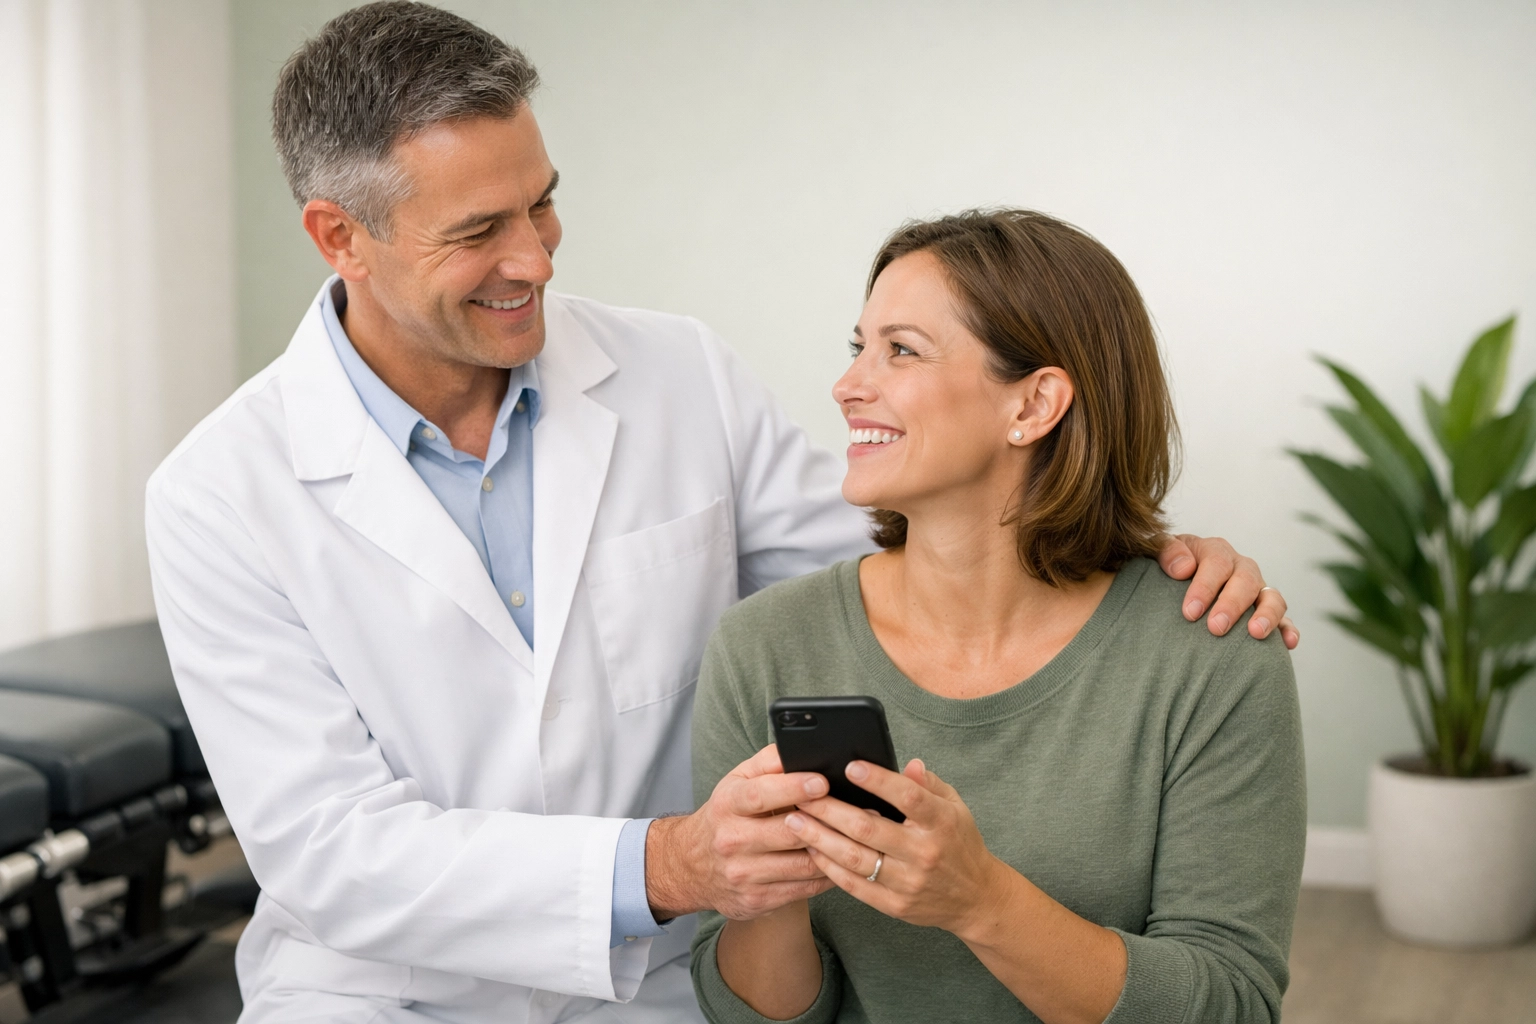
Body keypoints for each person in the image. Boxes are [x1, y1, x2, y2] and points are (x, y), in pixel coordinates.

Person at [144, 5, 1296, 1022]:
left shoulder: (675, 372)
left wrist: (1137, 552)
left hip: (655, 980)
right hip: (384, 986)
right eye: (478, 231)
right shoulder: (219, 497)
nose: (535, 259)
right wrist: (668, 865)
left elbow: (931, 570)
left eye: (544, 206)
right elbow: (331, 850)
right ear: (341, 235)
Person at [691, 210, 1305, 1024]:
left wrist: (979, 902)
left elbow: (1229, 1005)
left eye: (900, 350)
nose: (847, 385)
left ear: (1036, 403)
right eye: (858, 347)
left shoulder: (1211, 655)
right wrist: (757, 883)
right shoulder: (765, 645)